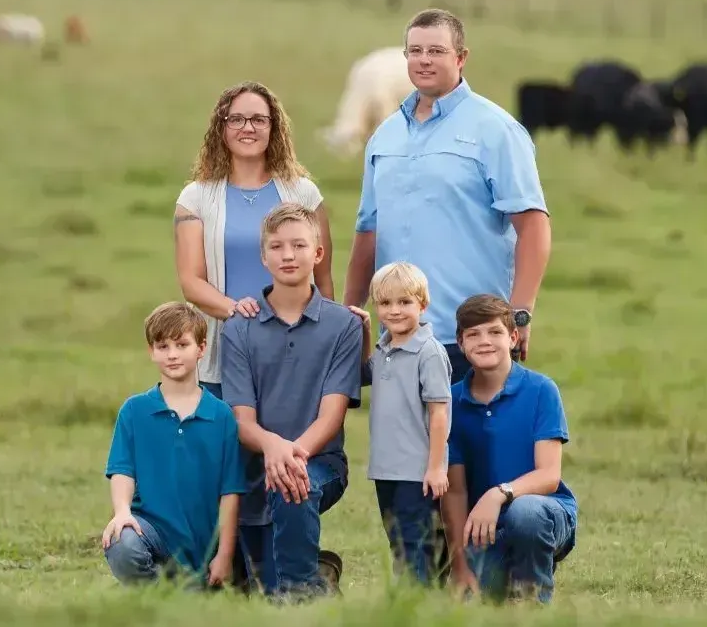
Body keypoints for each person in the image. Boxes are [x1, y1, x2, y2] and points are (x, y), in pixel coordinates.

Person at [343, 7, 551, 381]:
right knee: (403, 442)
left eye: (436, 51)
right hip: (399, 338)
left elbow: (533, 226)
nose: (424, 60)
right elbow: (368, 232)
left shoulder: (496, 130)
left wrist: (519, 313)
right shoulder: (385, 137)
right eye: (415, 51)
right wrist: (346, 315)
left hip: (472, 336)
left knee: (471, 441)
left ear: (461, 57)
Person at [219, 202, 363, 601]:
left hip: (319, 463)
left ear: (317, 254)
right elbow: (241, 421)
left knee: (292, 488)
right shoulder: (239, 327)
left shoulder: (344, 324)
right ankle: (316, 576)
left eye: (299, 245)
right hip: (253, 467)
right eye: (278, 247)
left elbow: (332, 414)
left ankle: (300, 598)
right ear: (263, 257)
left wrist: (293, 455)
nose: (288, 255)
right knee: (257, 585)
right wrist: (273, 447)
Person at [175, 80, 335, 402]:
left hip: (294, 353)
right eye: (236, 119)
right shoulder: (196, 198)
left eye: (259, 120)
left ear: (273, 127)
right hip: (222, 355)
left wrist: (326, 341)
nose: (248, 128)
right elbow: (191, 281)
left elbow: (323, 278)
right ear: (222, 128)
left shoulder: (303, 193)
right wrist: (239, 313)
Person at [439, 294, 577, 605]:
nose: (484, 341)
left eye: (494, 332)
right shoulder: (450, 402)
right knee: (477, 605)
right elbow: (456, 491)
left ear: (513, 337)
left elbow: (549, 476)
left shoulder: (541, 390)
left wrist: (498, 493)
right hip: (483, 528)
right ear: (460, 343)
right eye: (473, 334)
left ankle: (531, 600)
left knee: (525, 514)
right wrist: (460, 564)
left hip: (543, 512)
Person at [101, 301, 247, 590]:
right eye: (163, 346)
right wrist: (122, 511)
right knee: (122, 541)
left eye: (182, 345)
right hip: (150, 532)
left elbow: (230, 494)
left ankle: (166, 592)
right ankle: (161, 597)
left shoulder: (222, 416)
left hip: (199, 546)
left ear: (201, 349)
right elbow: (122, 471)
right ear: (151, 352)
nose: (172, 355)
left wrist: (225, 555)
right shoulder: (134, 410)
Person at [349, 261, 453, 587]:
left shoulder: (429, 352)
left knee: (415, 542)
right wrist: (366, 331)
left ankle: (418, 605)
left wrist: (436, 468)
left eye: (405, 302)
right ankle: (408, 603)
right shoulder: (384, 348)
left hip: (417, 470)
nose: (395, 311)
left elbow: (439, 414)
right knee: (397, 541)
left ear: (423, 304)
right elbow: (363, 374)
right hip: (386, 468)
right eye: (385, 303)